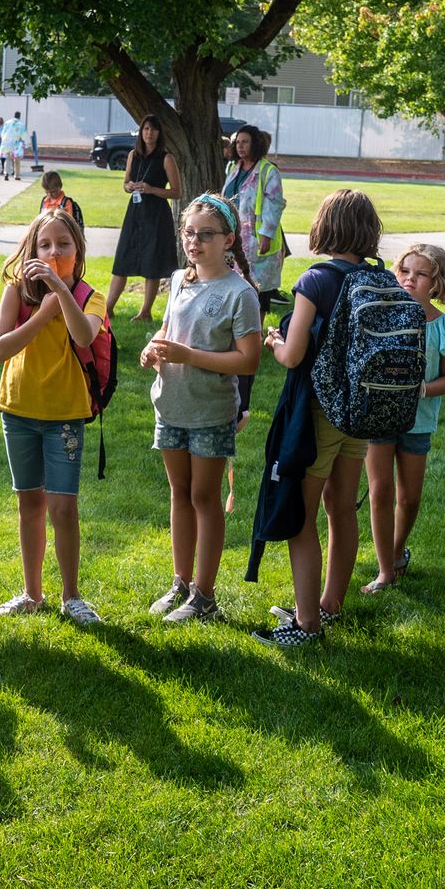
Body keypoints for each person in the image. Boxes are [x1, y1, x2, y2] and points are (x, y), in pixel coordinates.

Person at [255, 190, 388, 647]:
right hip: (361, 412)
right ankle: (331, 604)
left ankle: (306, 624)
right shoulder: (379, 279)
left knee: (302, 516)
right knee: (341, 507)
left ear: (324, 228)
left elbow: (293, 357)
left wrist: (272, 341)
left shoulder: (317, 280)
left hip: (320, 411)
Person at [140, 193, 263, 624]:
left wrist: (188, 356)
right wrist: (153, 347)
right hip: (169, 403)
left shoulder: (240, 293)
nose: (194, 242)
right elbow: (170, 328)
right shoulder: (178, 279)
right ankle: (181, 582)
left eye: (205, 235)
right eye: (188, 233)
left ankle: (205, 597)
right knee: (179, 494)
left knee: (204, 497)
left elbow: (248, 360)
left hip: (210, 411)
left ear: (229, 239)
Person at [0, 208, 110, 623]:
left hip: (64, 414)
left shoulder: (89, 296)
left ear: (78, 252)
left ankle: (71, 596)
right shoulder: (15, 292)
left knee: (63, 508)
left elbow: (83, 335)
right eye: (45, 244)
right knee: (29, 505)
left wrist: (59, 289)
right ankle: (31, 593)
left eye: (64, 244)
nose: (54, 251)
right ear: (31, 250)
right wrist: (42, 314)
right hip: (18, 408)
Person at [363, 243, 445, 591]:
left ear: (437, 282)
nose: (410, 279)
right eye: (405, 271)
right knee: (380, 491)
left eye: (421, 274)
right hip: (379, 417)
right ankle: (383, 570)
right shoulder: (381, 316)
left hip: (418, 421)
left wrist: (422, 389)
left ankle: (396, 552)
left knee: (408, 498)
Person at [107, 115, 180, 322]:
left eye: (154, 129)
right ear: (141, 132)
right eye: (146, 129)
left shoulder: (167, 158)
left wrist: (152, 189)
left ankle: (145, 311)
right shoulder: (133, 155)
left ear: (159, 133)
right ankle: (108, 307)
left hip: (156, 214)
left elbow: (176, 192)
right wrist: (129, 186)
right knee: (122, 259)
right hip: (135, 212)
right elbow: (125, 183)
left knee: (151, 262)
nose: (149, 133)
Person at [224, 126, 289, 301]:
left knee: (257, 292)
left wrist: (266, 235)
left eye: (245, 142)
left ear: (256, 144)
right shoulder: (234, 168)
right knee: (231, 288)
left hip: (256, 240)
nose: (240, 146)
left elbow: (273, 206)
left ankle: (256, 328)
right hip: (232, 238)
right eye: (237, 142)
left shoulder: (269, 171)